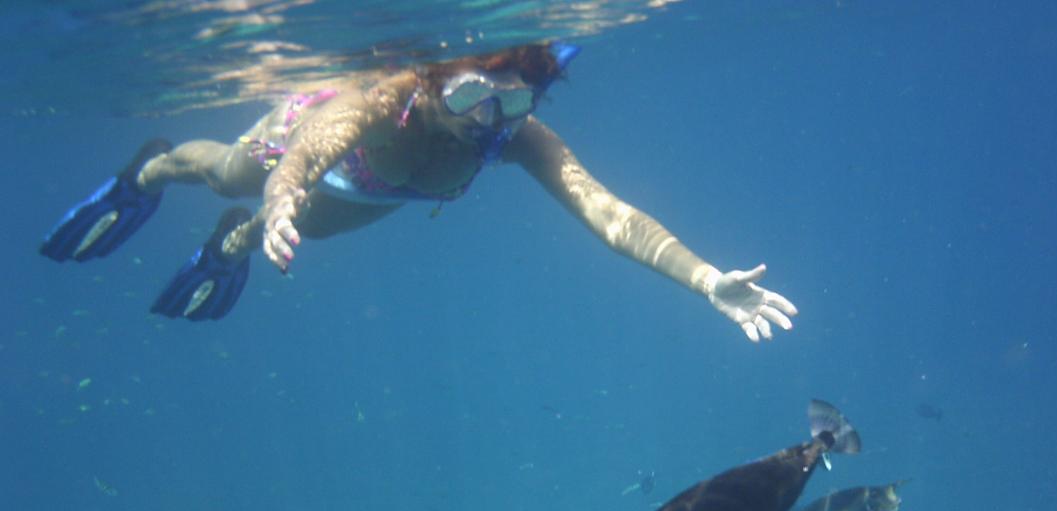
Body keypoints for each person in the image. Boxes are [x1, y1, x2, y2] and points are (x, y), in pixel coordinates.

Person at [39, 42, 796, 341]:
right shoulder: (388, 99)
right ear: (436, 82)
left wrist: (706, 280)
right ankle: (149, 172)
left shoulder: (514, 137)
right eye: (470, 98)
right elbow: (310, 148)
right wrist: (280, 196)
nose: (484, 122)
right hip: (295, 152)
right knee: (224, 176)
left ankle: (235, 243)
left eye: (511, 103)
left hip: (368, 198)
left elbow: (606, 210)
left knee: (314, 230)